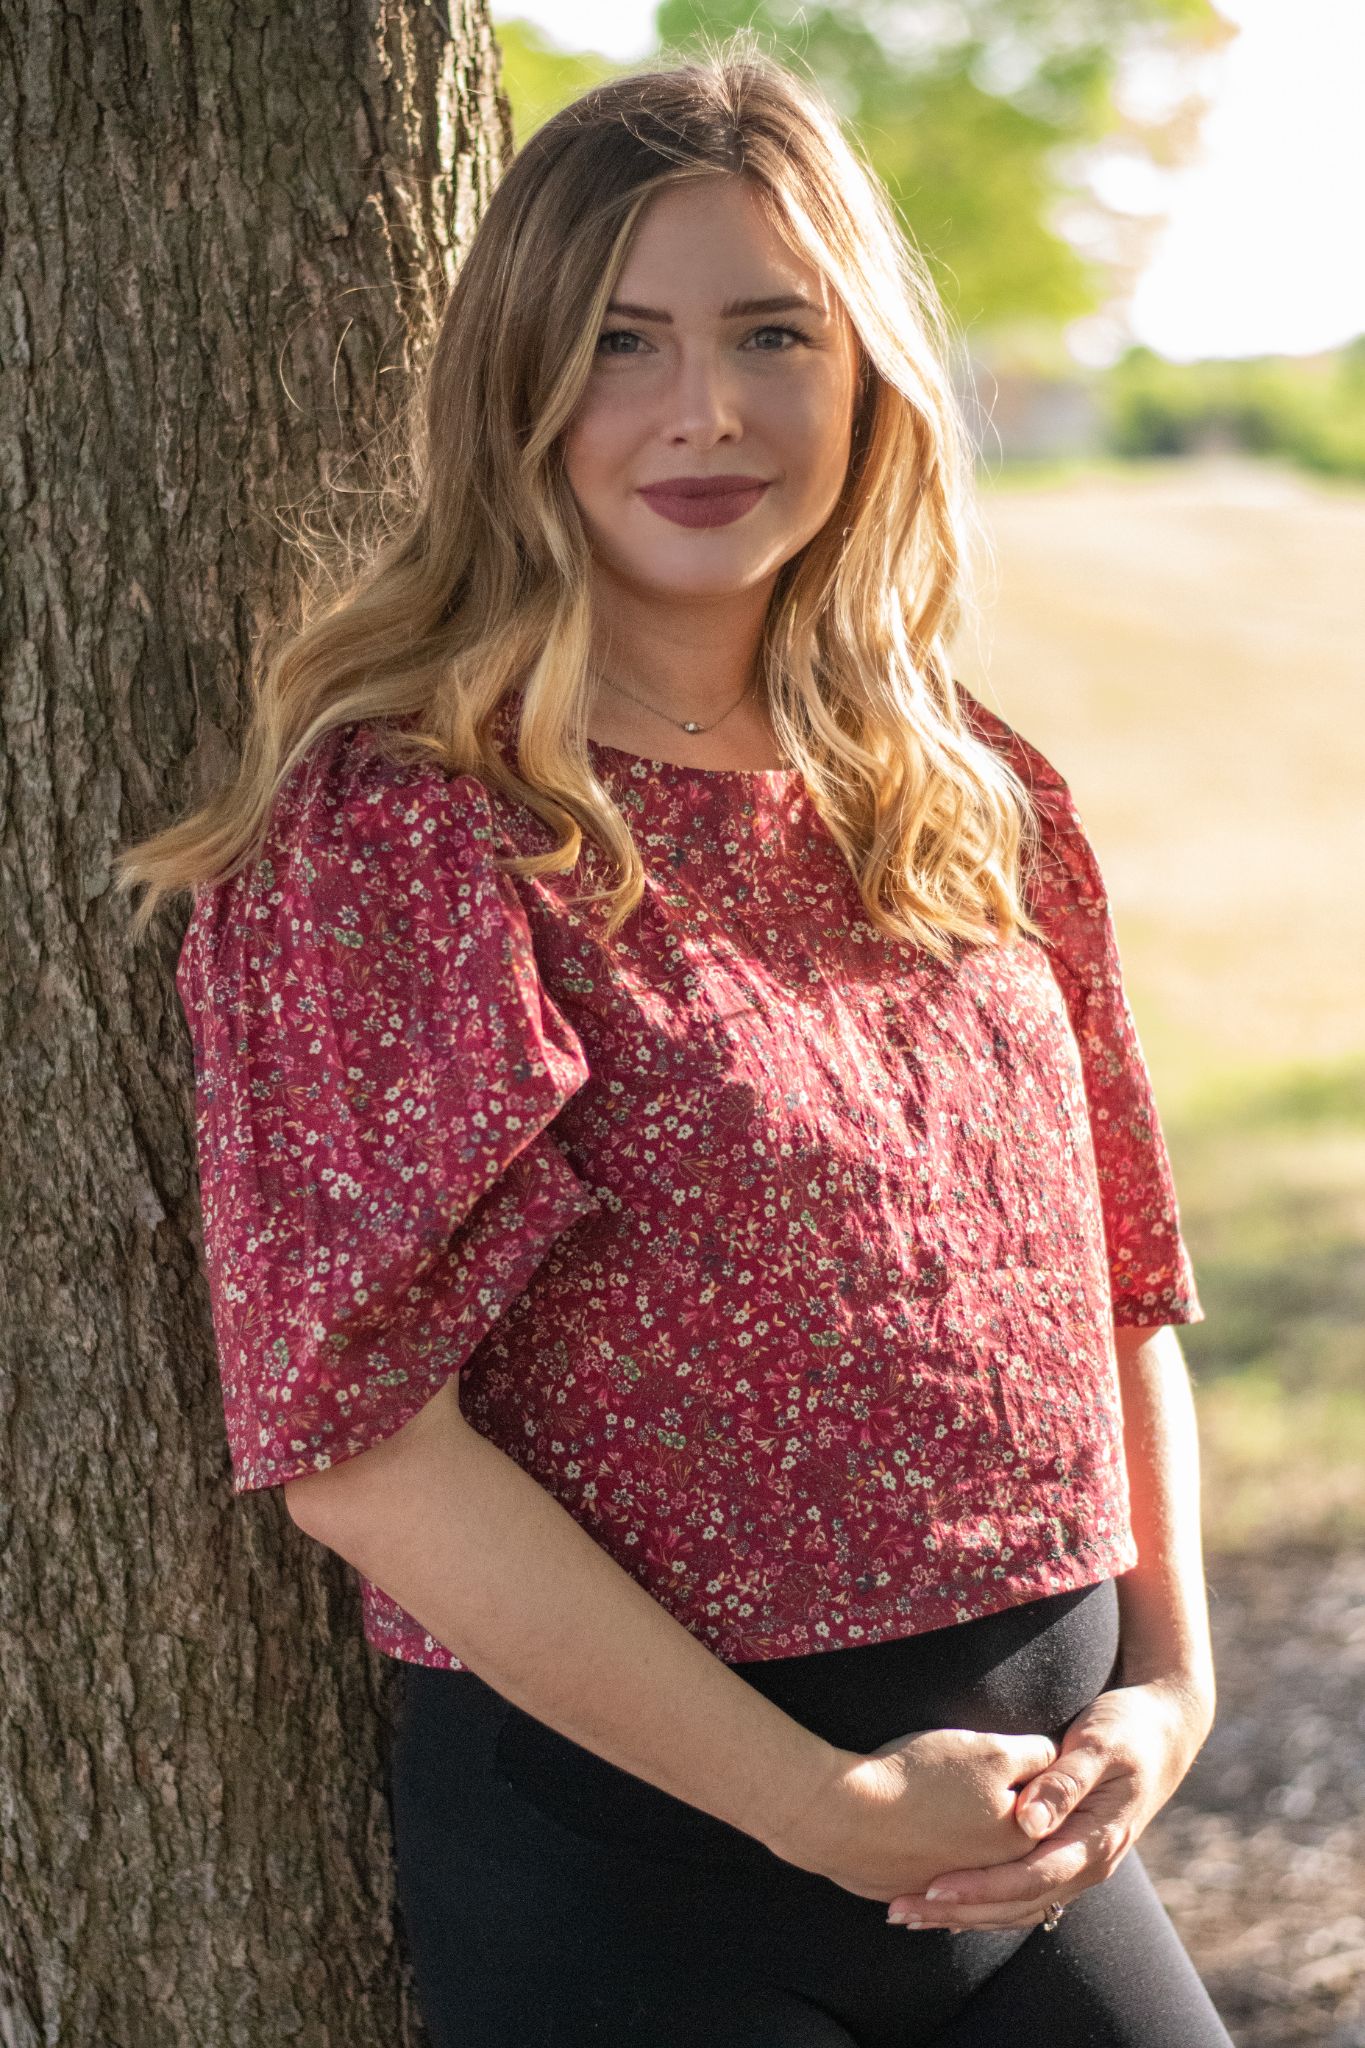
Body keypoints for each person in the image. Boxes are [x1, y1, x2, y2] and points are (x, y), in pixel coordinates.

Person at [117, 37, 1236, 2048]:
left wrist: (1169, 1686)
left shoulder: (968, 791)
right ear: (516, 388)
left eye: (769, 334)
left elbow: (1121, 1278)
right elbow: (355, 1443)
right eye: (620, 342)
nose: (703, 409)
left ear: (863, 372)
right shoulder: (405, 830)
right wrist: (815, 1809)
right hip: (643, 1877)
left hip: (1042, 1837)